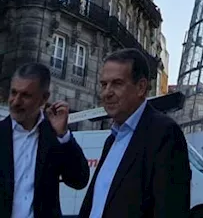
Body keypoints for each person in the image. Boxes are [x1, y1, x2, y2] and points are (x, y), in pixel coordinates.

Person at [0, 63, 89, 218]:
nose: (16, 101)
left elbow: (79, 180)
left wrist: (63, 136)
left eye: (25, 95)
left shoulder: (53, 138)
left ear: (44, 98)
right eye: (13, 92)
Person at [80, 48, 190, 218]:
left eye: (117, 83)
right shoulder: (112, 139)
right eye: (104, 84)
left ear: (140, 87)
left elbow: (170, 209)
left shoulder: (164, 133)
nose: (107, 93)